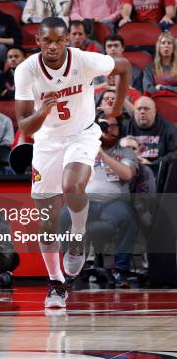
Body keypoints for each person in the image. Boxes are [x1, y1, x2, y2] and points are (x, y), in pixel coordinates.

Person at [14, 16, 132, 308]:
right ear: (38, 41)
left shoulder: (84, 61)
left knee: (73, 185)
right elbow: (26, 126)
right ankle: (56, 284)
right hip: (46, 142)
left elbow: (125, 66)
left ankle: (78, 235)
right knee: (48, 220)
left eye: (58, 40)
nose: (53, 46)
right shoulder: (26, 70)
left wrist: (115, 108)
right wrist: (44, 111)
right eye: (47, 41)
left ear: (66, 40)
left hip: (82, 134)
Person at [60, 113, 139, 288]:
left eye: (113, 126)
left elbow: (127, 174)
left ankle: (121, 270)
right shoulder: (82, 151)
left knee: (127, 217)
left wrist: (102, 155)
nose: (108, 130)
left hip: (113, 203)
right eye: (104, 126)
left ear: (120, 130)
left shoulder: (124, 151)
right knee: (63, 216)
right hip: (84, 202)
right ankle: (71, 271)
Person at [121, 96, 177, 168]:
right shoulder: (126, 128)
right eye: (139, 109)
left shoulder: (168, 128)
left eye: (146, 109)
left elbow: (174, 153)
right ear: (134, 112)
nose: (142, 112)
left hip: (159, 171)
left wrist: (153, 164)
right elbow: (117, 150)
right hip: (130, 168)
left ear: (154, 112)